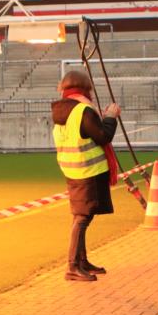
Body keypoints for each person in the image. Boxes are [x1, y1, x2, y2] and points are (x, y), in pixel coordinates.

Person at [51, 69, 120, 282]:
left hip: (74, 170)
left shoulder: (64, 110)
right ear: (85, 87)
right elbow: (103, 136)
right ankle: (73, 265)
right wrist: (110, 117)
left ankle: (81, 260)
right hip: (88, 172)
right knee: (82, 218)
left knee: (81, 216)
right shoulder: (82, 110)